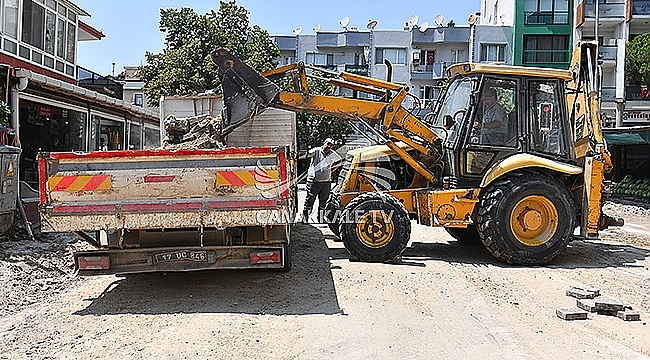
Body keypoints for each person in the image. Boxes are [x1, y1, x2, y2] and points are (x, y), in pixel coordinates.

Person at [302, 138, 342, 223]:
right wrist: (307, 153)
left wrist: (332, 170)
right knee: (310, 200)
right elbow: (309, 154)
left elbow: (339, 160)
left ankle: (320, 219)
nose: (328, 146)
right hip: (314, 181)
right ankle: (305, 219)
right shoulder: (317, 151)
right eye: (327, 144)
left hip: (326, 182)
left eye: (331, 145)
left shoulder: (332, 154)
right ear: (324, 143)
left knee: (323, 201)